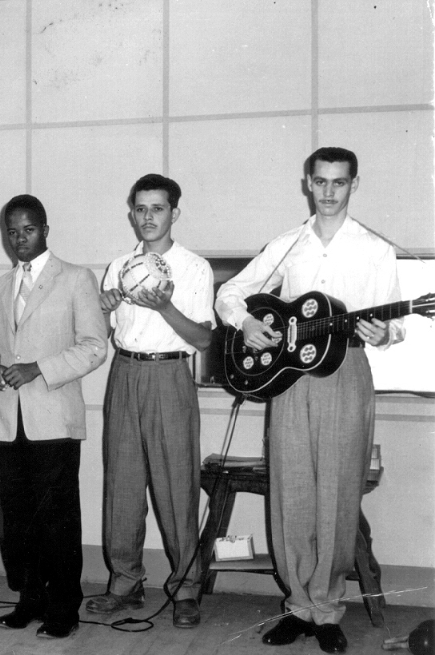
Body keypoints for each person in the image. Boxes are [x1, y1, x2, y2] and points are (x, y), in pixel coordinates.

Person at [216, 147, 403, 653]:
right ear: (307, 183)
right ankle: (298, 606)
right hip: (291, 379)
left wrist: (382, 332)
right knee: (291, 491)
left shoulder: (375, 250)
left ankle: (327, 610)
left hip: (347, 374)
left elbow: (396, 329)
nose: (327, 193)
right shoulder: (288, 244)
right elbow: (230, 293)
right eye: (319, 182)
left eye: (338, 183)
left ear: (354, 185)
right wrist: (249, 324)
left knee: (338, 495)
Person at [86, 174, 213, 629]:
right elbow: (98, 334)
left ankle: (185, 588)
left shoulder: (194, 268)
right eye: (140, 209)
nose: (147, 217)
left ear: (174, 213)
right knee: (121, 485)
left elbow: (203, 339)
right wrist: (102, 307)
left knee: (176, 486)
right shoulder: (119, 264)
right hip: (124, 372)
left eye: (157, 209)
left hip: (170, 376)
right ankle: (125, 582)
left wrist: (164, 307)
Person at [0, 194, 108, 639]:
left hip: (54, 419)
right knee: (16, 518)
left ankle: (64, 608)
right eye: (11, 231)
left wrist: (40, 369)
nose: (20, 239)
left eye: (28, 229)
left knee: (57, 519)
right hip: (7, 420)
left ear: (45, 229)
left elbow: (94, 346)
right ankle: (29, 599)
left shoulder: (75, 279)